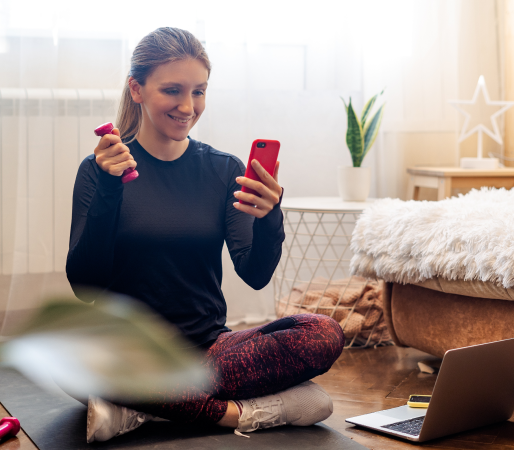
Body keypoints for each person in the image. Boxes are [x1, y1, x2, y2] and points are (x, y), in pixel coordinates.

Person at [66, 27, 344, 442]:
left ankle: (145, 407)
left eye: (198, 92)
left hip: (207, 352)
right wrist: (110, 188)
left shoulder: (222, 170)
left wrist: (270, 216)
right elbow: (85, 286)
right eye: (172, 90)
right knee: (67, 357)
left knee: (324, 333)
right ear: (136, 89)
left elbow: (255, 274)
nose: (187, 106)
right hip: (126, 350)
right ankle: (236, 413)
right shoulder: (98, 171)